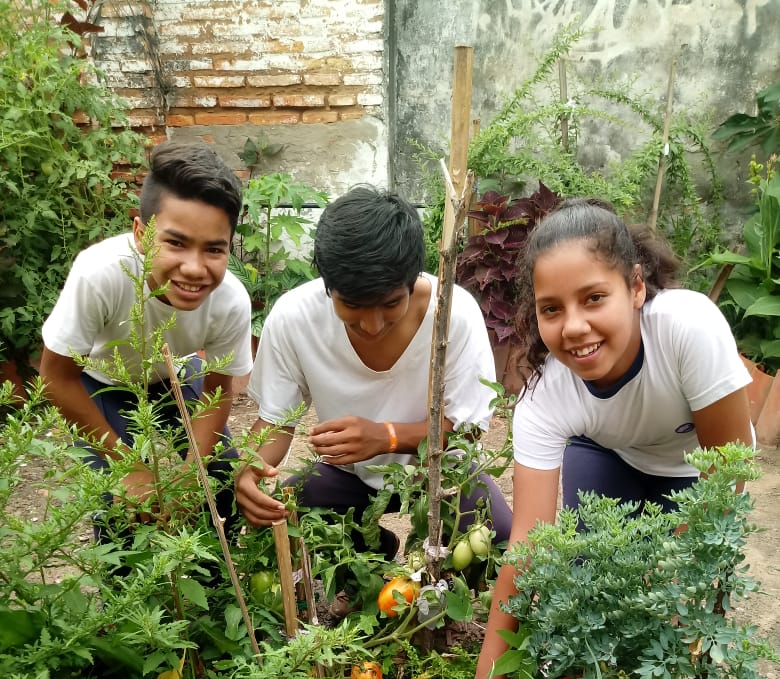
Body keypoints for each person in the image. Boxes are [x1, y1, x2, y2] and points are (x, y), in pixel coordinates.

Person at [441, 197, 753, 679]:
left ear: (635, 287)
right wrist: (490, 677)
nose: (574, 327)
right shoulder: (544, 397)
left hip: (698, 472)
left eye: (593, 298)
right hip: (608, 454)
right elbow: (530, 545)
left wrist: (668, 585)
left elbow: (728, 471)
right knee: (587, 583)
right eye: (551, 309)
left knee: (661, 606)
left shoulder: (688, 328)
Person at [235, 185, 512, 559]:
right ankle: (375, 550)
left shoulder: (453, 314)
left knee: (498, 538)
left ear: (413, 280)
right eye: (351, 305)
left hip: (439, 474)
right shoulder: (294, 318)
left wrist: (387, 437)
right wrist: (250, 469)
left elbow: (469, 429)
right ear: (328, 287)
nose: (372, 324)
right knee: (293, 506)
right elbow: (276, 421)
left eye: (391, 303)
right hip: (350, 476)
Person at [39, 139, 253, 536]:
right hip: (101, 380)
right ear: (140, 233)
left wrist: (191, 474)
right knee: (119, 508)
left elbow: (218, 390)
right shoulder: (100, 274)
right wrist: (129, 467)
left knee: (219, 477)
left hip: (174, 374)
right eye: (175, 243)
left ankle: (215, 571)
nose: (194, 268)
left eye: (214, 250)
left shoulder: (231, 301)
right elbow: (56, 377)